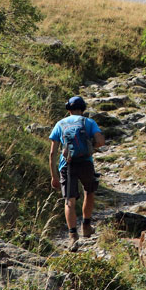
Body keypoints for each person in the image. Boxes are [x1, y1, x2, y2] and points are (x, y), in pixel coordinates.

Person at [49, 96, 105, 248]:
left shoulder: (60, 124)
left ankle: (72, 235)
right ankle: (86, 226)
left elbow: (53, 153)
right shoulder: (88, 122)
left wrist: (54, 176)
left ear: (68, 110)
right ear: (83, 108)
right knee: (89, 191)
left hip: (67, 165)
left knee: (69, 201)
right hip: (86, 163)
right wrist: (91, 147)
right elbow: (100, 141)